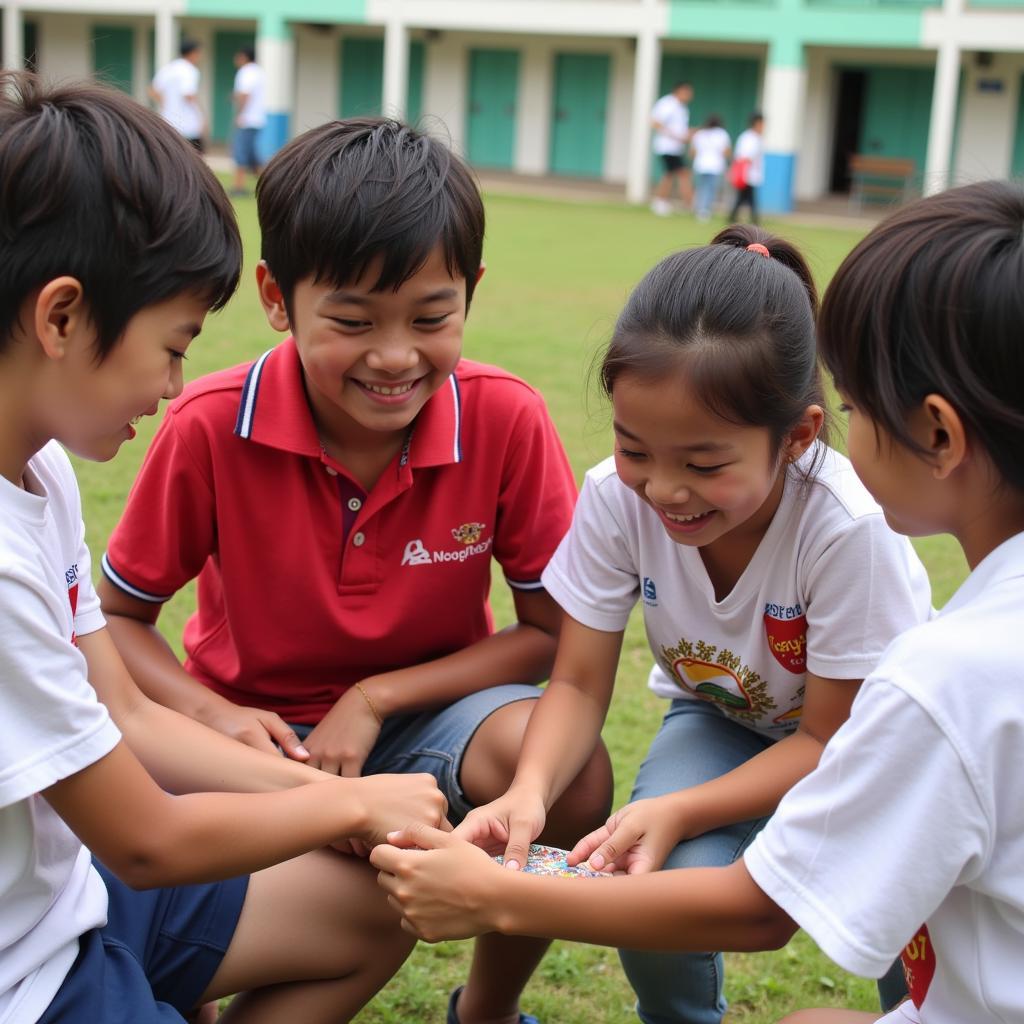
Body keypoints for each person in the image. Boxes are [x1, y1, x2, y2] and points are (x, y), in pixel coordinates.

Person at [373, 180, 1024, 1024]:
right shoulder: (618, 498)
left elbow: (823, 753)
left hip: (845, 732)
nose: (666, 490)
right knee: (659, 885)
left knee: (907, 912)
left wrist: (528, 883)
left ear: (800, 436)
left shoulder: (875, 568)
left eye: (706, 464)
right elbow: (573, 683)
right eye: (637, 449)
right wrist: (529, 794)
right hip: (723, 722)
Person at [97, 116, 613, 1024]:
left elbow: (548, 637)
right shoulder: (210, 424)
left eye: (430, 317)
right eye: (351, 321)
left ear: (472, 292)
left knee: (569, 774)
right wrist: (218, 717)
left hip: (427, 724)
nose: (394, 356)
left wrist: (376, 697)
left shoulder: (506, 419)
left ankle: (485, 1012)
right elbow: (119, 619)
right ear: (275, 296)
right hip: (244, 739)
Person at [0, 72, 451, 1024]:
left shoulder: (41, 475)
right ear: (61, 316)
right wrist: (352, 808)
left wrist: (330, 800)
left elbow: (128, 709)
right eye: (172, 345)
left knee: (376, 909)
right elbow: (147, 840)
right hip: (25, 970)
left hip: (70, 900)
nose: (172, 385)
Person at [149, 38, 204, 151]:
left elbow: (152, 90)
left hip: (168, 120)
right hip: (189, 124)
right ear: (193, 53)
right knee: (193, 158)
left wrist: (166, 105)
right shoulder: (190, 70)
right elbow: (188, 95)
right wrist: (202, 116)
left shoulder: (168, 68)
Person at [649, 82, 693, 216]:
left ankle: (662, 201)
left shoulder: (682, 108)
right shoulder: (667, 104)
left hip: (676, 148)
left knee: (671, 174)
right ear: (679, 91)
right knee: (679, 173)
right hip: (667, 147)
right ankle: (664, 202)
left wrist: (687, 135)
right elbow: (655, 122)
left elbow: (681, 129)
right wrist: (674, 136)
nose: (690, 95)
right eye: (687, 92)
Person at [230, 46, 265, 197]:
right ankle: (267, 183)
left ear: (244, 56)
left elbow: (245, 95)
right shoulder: (258, 71)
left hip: (247, 119)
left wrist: (239, 114)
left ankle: (239, 187)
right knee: (252, 156)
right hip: (257, 119)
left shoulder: (246, 71)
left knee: (241, 153)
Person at [690, 114, 731, 222]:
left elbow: (693, 151)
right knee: (710, 189)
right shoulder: (722, 134)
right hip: (715, 166)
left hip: (700, 165)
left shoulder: (700, 134)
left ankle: (699, 208)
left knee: (701, 187)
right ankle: (705, 210)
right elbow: (726, 151)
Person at [729, 112, 765, 225]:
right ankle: (754, 220)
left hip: (751, 174)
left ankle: (733, 217)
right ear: (757, 123)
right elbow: (745, 157)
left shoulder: (755, 138)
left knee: (743, 198)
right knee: (748, 198)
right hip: (747, 174)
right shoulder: (749, 138)